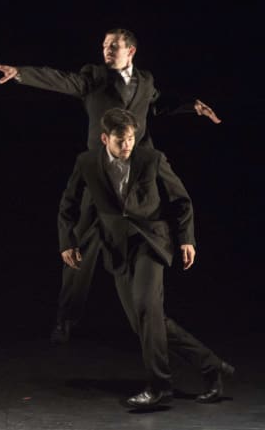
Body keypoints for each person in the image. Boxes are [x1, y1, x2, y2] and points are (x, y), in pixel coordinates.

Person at [0, 29, 221, 343]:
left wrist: (191, 106)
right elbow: (62, 80)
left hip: (134, 179)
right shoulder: (94, 77)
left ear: (131, 51)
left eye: (113, 46)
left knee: (138, 250)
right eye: (104, 46)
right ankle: (65, 320)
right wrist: (21, 74)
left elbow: (157, 103)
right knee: (81, 250)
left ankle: (147, 324)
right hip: (99, 177)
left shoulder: (146, 81)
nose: (106, 50)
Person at [58, 108, 233, 408]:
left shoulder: (152, 159)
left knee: (145, 310)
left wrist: (186, 239)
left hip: (150, 243)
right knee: (147, 322)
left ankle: (159, 386)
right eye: (120, 139)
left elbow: (181, 199)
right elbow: (68, 203)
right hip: (116, 247)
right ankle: (211, 366)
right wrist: (68, 242)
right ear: (104, 138)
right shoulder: (87, 162)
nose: (127, 145)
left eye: (131, 138)